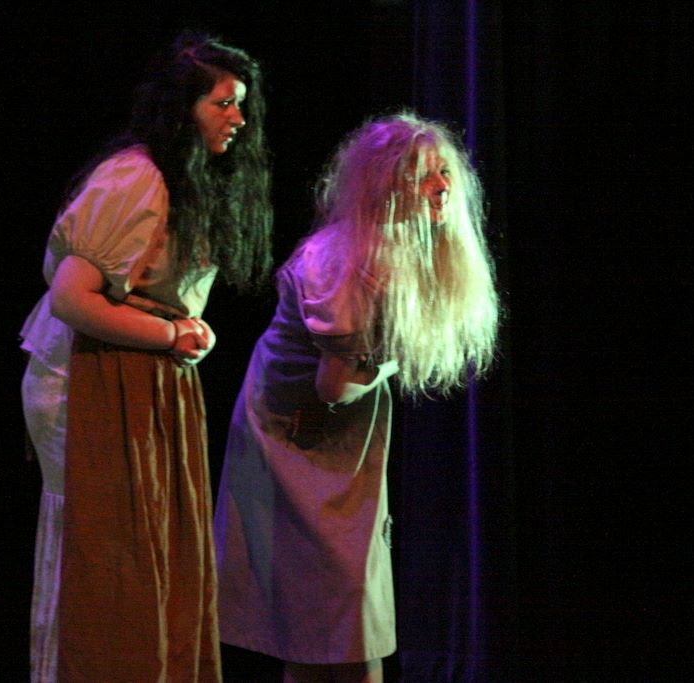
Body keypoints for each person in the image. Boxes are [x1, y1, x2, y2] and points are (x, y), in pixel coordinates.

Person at [19, 31, 272, 682]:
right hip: (87, 376)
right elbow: (72, 296)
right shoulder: (137, 177)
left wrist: (187, 330)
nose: (238, 119)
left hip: (131, 372)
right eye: (223, 103)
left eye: (240, 104)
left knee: (140, 546)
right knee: (100, 545)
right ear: (183, 107)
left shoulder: (181, 179)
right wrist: (170, 336)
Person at [212, 112, 500, 683]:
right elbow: (335, 387)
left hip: (337, 429)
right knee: (327, 607)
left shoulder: (396, 250)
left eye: (444, 172)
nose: (441, 186)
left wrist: (385, 359)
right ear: (385, 187)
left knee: (330, 613)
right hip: (291, 432)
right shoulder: (340, 262)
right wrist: (394, 357)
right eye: (422, 176)